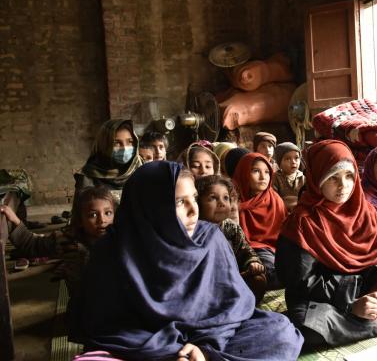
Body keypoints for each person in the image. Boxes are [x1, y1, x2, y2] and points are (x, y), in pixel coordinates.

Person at [74, 162, 303, 360]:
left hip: (211, 335)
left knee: (281, 332)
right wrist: (171, 352)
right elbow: (105, 324)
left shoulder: (210, 238)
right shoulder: (113, 250)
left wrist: (206, 348)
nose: (194, 210)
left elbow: (233, 305)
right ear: (150, 207)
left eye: (194, 198)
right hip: (145, 342)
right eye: (179, 202)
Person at [276, 140, 377, 348]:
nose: (344, 185)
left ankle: (375, 310)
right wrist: (351, 305)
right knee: (304, 327)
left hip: (368, 285)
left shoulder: (364, 211)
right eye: (333, 177)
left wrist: (375, 292)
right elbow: (303, 282)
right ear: (317, 180)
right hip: (326, 298)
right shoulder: (302, 222)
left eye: (349, 176)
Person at [2, 185, 116, 300]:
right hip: (83, 303)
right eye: (93, 215)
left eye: (108, 213)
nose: (102, 220)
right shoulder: (66, 241)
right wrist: (14, 221)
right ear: (80, 220)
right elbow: (33, 245)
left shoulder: (120, 239)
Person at [196, 175, 267, 303]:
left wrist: (252, 263)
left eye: (226, 198)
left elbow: (245, 251)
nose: (222, 203)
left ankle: (245, 307)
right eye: (213, 198)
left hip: (233, 278)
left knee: (258, 279)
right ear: (198, 203)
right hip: (207, 284)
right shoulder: (195, 232)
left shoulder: (231, 228)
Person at [232, 153, 287, 289]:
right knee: (270, 271)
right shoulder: (233, 200)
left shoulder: (274, 199)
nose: (263, 177)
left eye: (267, 172)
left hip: (276, 248)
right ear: (244, 173)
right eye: (256, 171)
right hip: (248, 249)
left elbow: (285, 232)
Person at [74, 119, 143, 203]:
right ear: (104, 145)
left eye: (130, 142)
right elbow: (82, 212)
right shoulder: (89, 176)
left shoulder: (142, 169)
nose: (125, 148)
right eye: (117, 143)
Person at [272, 142, 305, 211]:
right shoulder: (275, 178)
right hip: (281, 212)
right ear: (279, 163)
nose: (293, 162)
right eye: (287, 159)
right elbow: (274, 200)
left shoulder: (304, 177)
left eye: (296, 158)